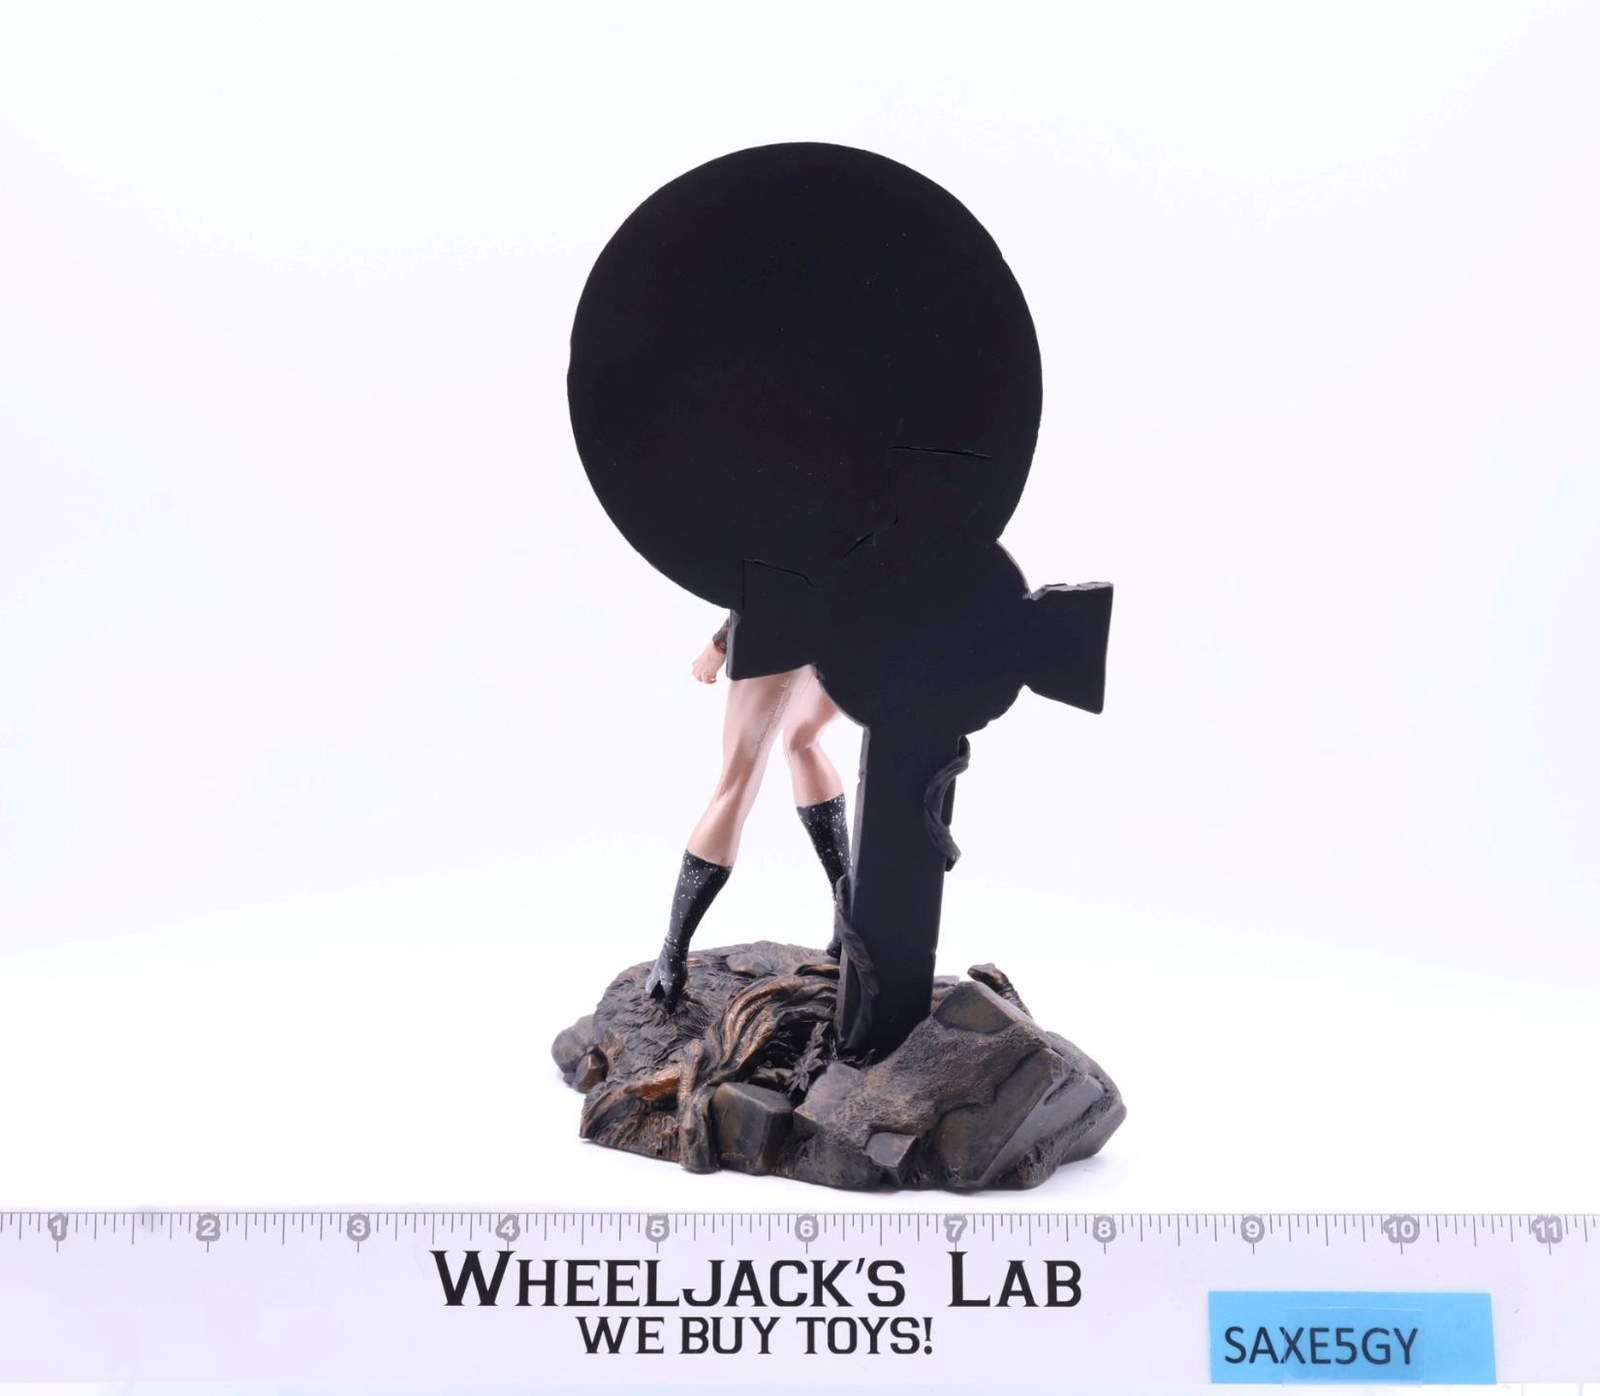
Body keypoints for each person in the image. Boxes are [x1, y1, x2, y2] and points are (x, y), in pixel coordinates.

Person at [645, 616, 850, 1009]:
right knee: (803, 742)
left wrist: (720, 642)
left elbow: (769, 581)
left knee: (735, 781)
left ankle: (673, 955)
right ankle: (849, 911)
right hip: (850, 627)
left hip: (784, 626)